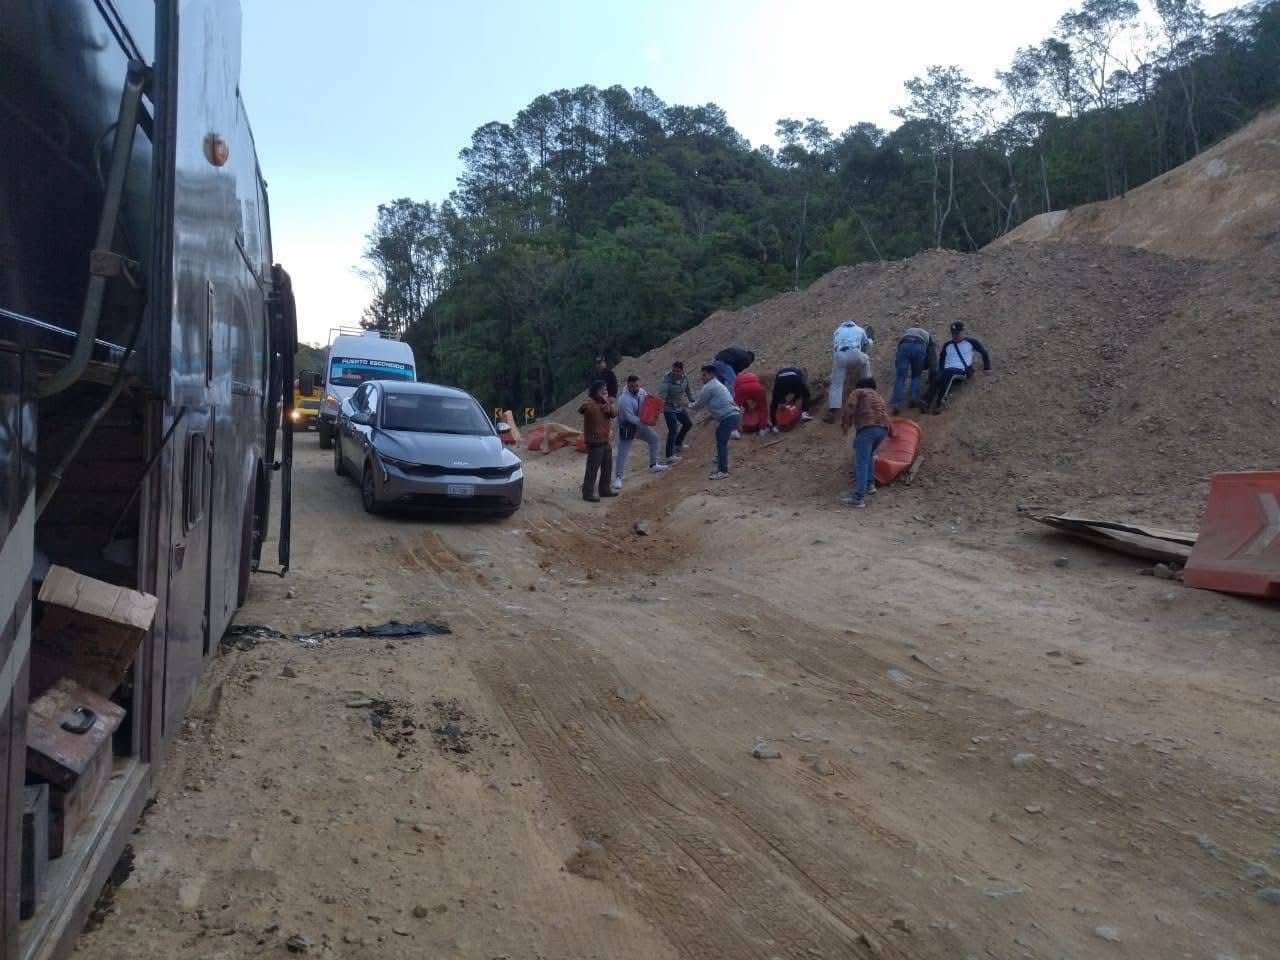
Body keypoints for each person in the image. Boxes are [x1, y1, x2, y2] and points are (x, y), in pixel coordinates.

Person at [840, 377, 892, 508]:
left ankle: (858, 498)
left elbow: (850, 406)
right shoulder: (878, 397)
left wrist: (845, 425)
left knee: (861, 462)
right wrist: (892, 432)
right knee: (869, 456)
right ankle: (870, 485)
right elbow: (886, 415)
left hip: (868, 428)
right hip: (883, 429)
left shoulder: (859, 391)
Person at [612, 375, 670, 490]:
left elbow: (648, 401)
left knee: (653, 438)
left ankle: (653, 465)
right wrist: (647, 422)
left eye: (637, 385)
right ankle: (618, 477)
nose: (635, 388)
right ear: (628, 386)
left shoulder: (642, 392)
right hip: (627, 428)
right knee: (622, 453)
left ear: (640, 384)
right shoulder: (624, 399)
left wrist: (656, 408)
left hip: (640, 426)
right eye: (632, 386)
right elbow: (629, 417)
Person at [923, 320, 991, 414]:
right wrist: (939, 371)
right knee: (937, 375)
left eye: (957, 334)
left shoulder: (971, 342)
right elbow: (942, 359)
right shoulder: (947, 345)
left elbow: (983, 352)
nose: (955, 336)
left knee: (948, 373)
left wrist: (987, 367)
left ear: (963, 332)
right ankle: (926, 401)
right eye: (953, 334)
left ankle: (940, 403)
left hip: (962, 370)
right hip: (947, 370)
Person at [690, 364, 741, 481]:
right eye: (702, 375)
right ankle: (720, 459)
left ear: (712, 374)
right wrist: (711, 417)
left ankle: (723, 471)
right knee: (720, 436)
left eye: (704, 375)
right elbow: (719, 403)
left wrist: (686, 404)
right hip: (733, 415)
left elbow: (698, 405)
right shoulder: (718, 385)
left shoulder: (709, 387)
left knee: (721, 442)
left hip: (729, 416)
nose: (702, 378)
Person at [824, 320, 874, 422]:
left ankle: (832, 411)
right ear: (854, 324)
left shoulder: (838, 330)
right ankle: (867, 389)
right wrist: (871, 339)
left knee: (836, 383)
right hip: (855, 352)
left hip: (840, 355)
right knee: (866, 360)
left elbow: (835, 347)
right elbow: (866, 344)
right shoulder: (859, 329)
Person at [579, 380, 618, 502]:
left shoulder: (606, 405)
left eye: (605, 389)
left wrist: (607, 402)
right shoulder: (590, 403)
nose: (604, 392)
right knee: (592, 468)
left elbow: (615, 414)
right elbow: (581, 409)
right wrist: (595, 403)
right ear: (595, 391)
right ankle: (588, 493)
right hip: (594, 442)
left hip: (605, 440)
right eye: (602, 390)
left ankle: (604, 489)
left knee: (607, 467)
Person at [891, 324, 937, 414]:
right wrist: (931, 375)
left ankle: (896, 403)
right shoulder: (928, 336)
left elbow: (898, 349)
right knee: (916, 375)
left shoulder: (908, 331)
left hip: (904, 345)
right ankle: (913, 398)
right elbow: (932, 358)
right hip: (919, 346)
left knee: (900, 377)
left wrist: (898, 365)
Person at [658, 360, 694, 462]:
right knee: (673, 429)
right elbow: (661, 399)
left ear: (682, 371)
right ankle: (669, 456)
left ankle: (678, 444)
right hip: (668, 408)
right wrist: (658, 410)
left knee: (688, 424)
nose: (675, 373)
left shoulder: (685, 378)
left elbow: (688, 390)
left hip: (678, 406)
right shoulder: (666, 383)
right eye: (673, 370)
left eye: (677, 371)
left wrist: (694, 402)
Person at [768, 366, 813, 431]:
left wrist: (782, 400)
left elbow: (779, 390)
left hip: (780, 380)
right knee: (806, 395)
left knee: (774, 402)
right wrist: (795, 399)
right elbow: (800, 389)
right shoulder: (800, 373)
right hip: (794, 378)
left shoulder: (783, 371)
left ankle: (774, 425)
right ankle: (804, 413)